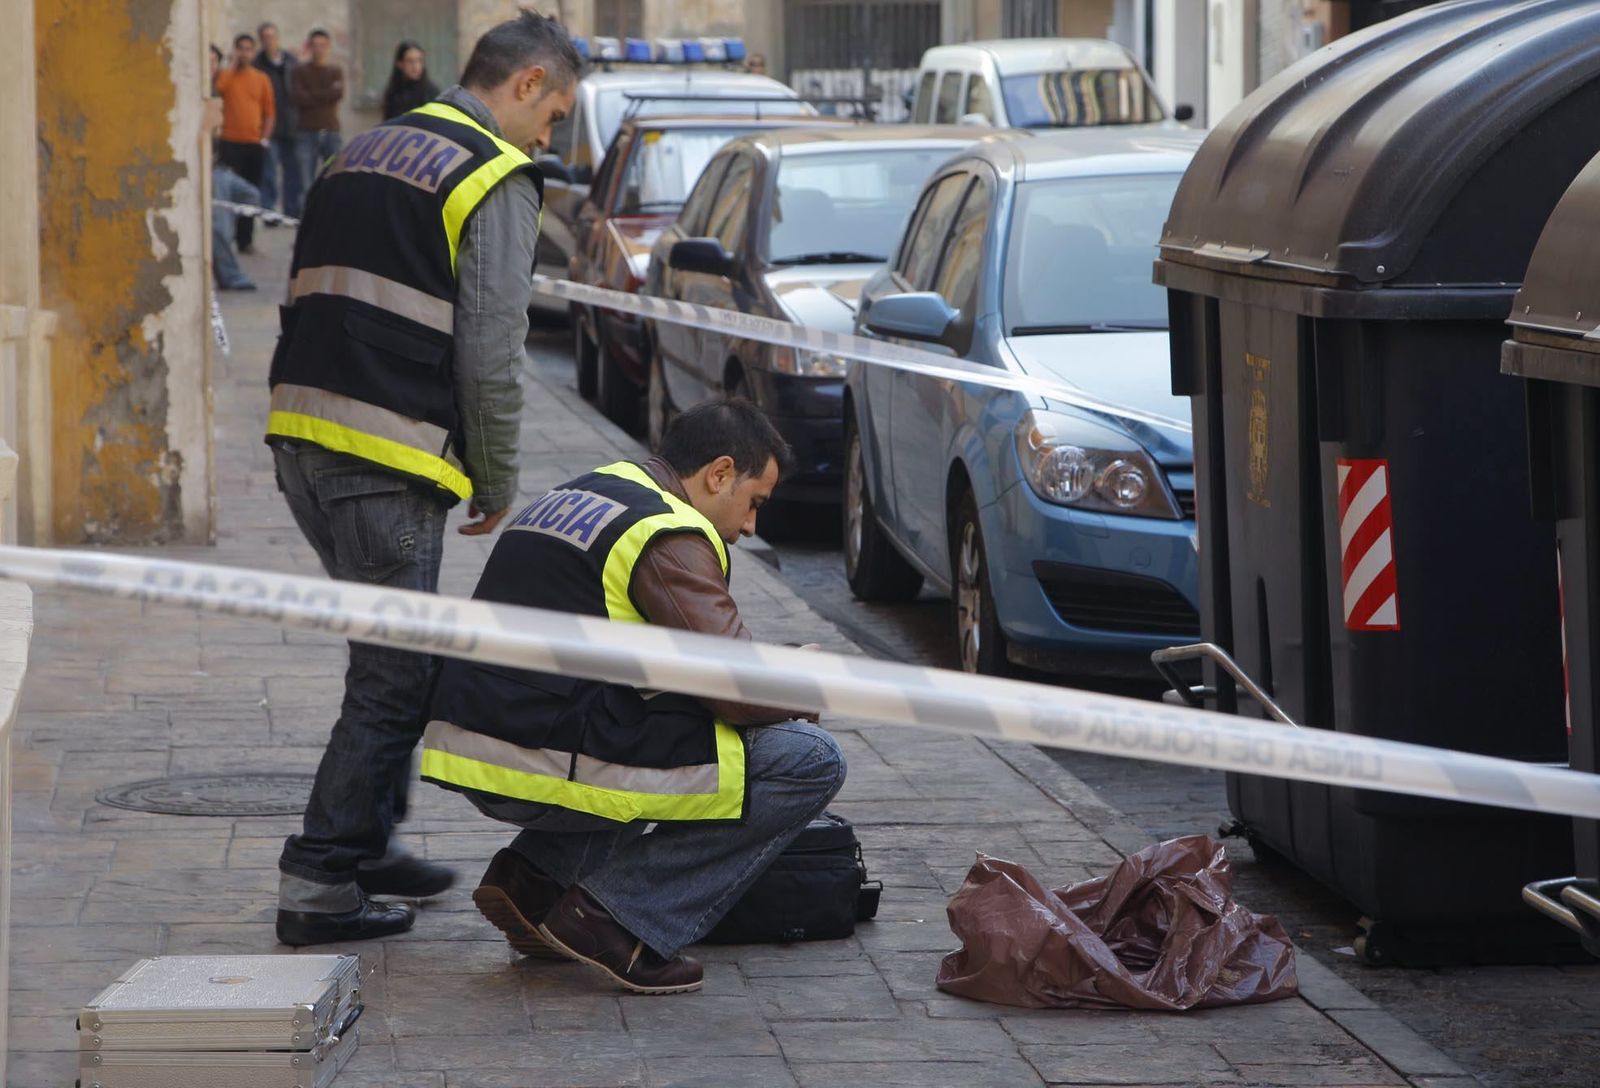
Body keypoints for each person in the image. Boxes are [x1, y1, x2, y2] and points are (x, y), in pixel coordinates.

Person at [266, 11, 581, 947]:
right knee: (397, 678)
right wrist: (495, 475)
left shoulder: (361, 150)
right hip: (386, 456)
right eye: (555, 115)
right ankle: (319, 882)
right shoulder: (492, 174)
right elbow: (492, 347)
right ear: (524, 85)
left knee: (389, 661)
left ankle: (367, 843)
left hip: (302, 440)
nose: (549, 137)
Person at [421, 400, 848, 994]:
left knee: (657, 733)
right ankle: (617, 919)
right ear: (719, 473)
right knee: (806, 758)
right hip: (537, 753)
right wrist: (798, 681)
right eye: (754, 503)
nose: (751, 527)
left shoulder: (591, 491)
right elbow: (733, 689)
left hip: (481, 739)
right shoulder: (668, 533)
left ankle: (534, 878)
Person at [213, 32, 274, 252]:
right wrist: (233, 64)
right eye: (241, 48)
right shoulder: (227, 76)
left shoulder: (261, 79)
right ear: (235, 50)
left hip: (253, 144)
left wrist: (264, 138)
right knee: (228, 194)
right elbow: (219, 89)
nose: (245, 53)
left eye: (249, 49)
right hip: (230, 142)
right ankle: (226, 239)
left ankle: (245, 240)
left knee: (250, 193)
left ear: (254, 51)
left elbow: (269, 112)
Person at [253, 22, 303, 219]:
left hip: (292, 124)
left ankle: (291, 212)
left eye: (272, 37)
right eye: (265, 37)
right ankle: (269, 211)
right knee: (269, 173)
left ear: (278, 38)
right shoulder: (257, 65)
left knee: (292, 173)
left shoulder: (292, 62)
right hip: (269, 126)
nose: (269, 41)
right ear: (261, 40)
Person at [290, 29, 345, 184]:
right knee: (305, 182)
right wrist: (326, 94)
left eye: (322, 45)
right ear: (309, 47)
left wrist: (311, 94)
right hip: (306, 132)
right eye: (315, 45)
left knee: (336, 179)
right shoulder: (299, 71)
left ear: (328, 47)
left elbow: (337, 94)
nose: (319, 49)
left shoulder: (335, 71)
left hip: (331, 131)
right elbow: (298, 97)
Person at [383, 40, 440, 120]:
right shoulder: (393, 93)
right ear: (400, 64)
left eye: (419, 60)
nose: (415, 66)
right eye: (410, 61)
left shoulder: (431, 91)